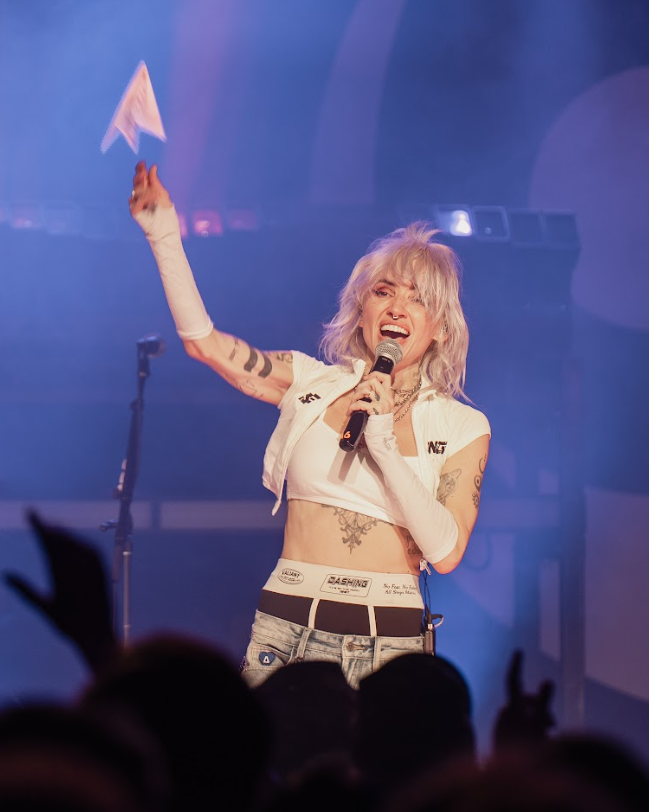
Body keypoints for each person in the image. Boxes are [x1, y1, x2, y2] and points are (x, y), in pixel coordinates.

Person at [129, 160, 490, 689]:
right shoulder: (309, 380)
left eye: (418, 299)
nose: (398, 307)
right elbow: (205, 345)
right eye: (384, 291)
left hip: (388, 640)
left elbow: (447, 552)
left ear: (440, 328)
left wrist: (383, 442)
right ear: (361, 310)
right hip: (288, 623)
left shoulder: (461, 424)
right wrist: (164, 235)